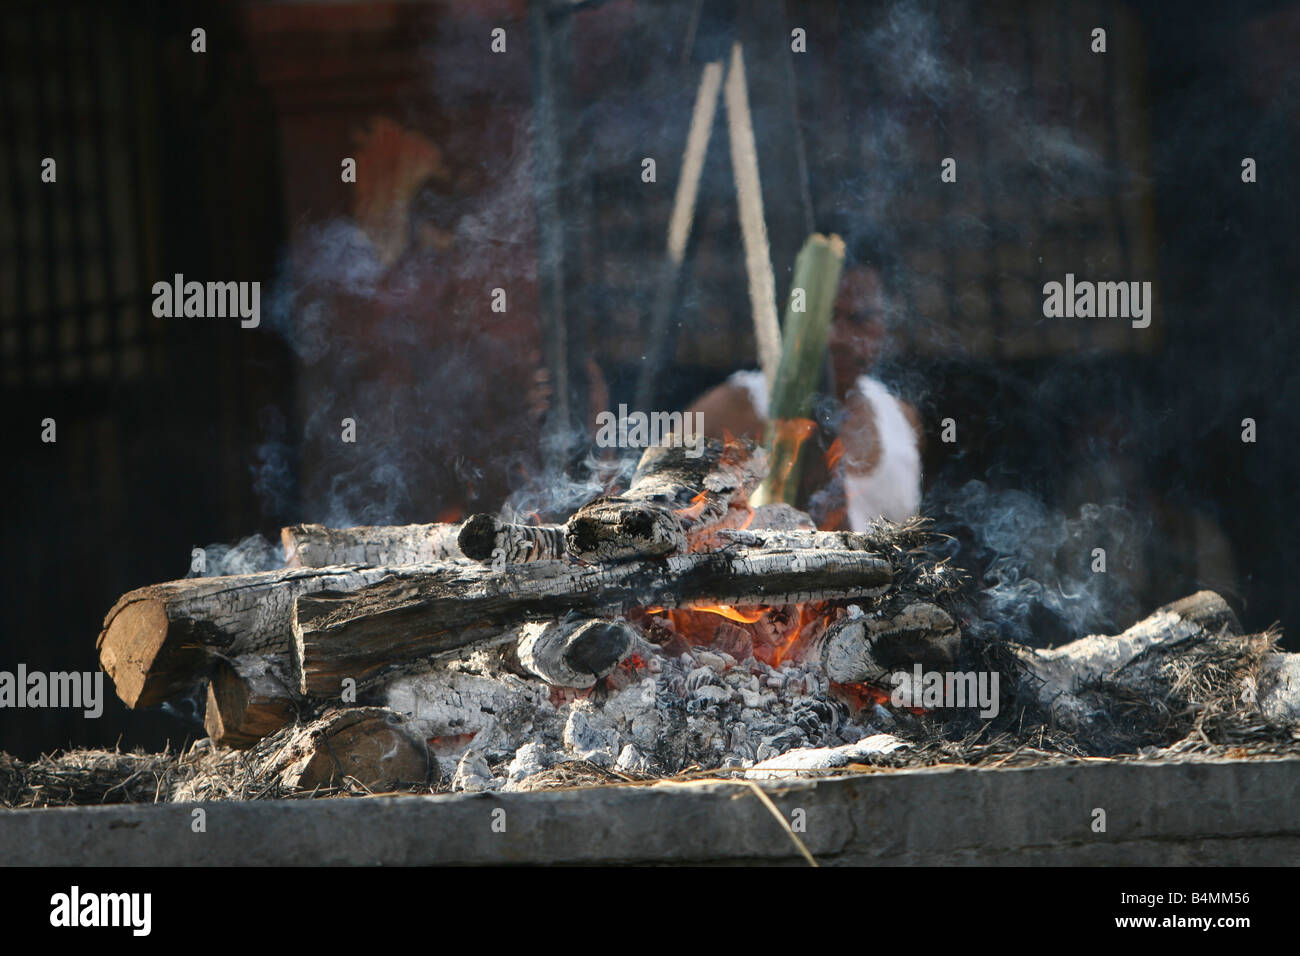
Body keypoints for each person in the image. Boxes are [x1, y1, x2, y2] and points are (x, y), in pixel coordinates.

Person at [686, 244, 923, 531]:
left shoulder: (902, 420)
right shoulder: (730, 408)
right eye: (823, 317)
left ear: (886, 320)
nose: (838, 337)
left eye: (859, 319)